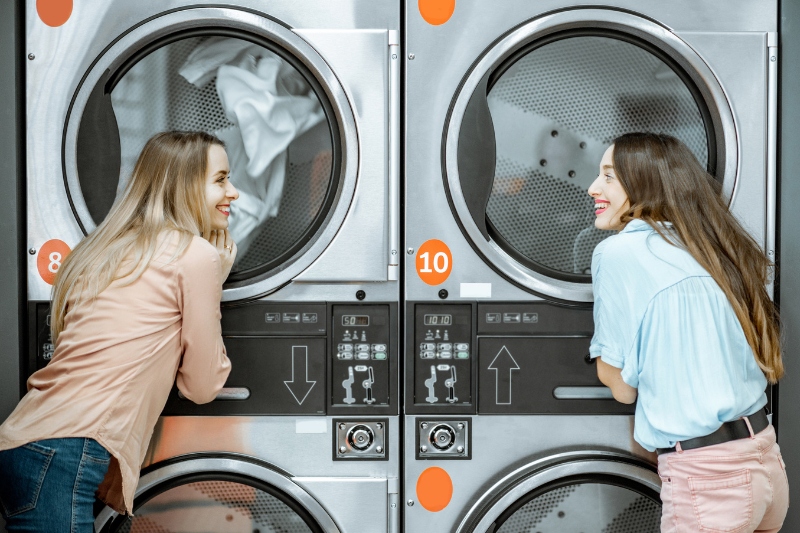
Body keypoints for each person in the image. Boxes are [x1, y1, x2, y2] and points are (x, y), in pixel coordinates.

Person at [0, 131, 238, 531]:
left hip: (28, 443)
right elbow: (201, 386)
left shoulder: (103, 251)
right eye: (220, 179)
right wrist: (215, 280)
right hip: (67, 452)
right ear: (183, 183)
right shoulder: (194, 255)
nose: (233, 192)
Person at [588, 132, 789, 532]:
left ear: (646, 183)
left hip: (708, 478)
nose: (593, 187)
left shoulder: (618, 254)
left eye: (610, 176)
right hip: (765, 460)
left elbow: (623, 388)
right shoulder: (712, 246)